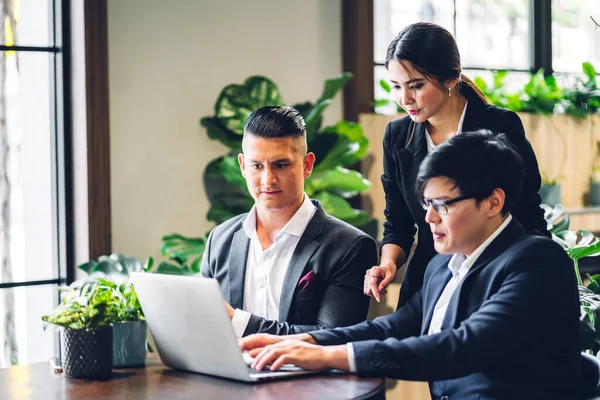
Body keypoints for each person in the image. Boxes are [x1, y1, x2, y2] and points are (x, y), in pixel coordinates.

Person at [239, 131, 581, 400]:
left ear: (494, 201)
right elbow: (396, 325)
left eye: (443, 205)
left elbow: (462, 346)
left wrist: (329, 358)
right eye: (427, 203)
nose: (429, 218)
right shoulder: (442, 264)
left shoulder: (537, 263)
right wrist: (312, 342)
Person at [365, 22, 548, 309]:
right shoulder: (397, 137)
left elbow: (527, 213)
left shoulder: (499, 126)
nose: (404, 99)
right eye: (396, 87)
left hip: (495, 275)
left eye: (416, 86)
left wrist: (537, 281)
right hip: (429, 281)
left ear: (451, 79)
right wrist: (388, 264)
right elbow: (398, 223)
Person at [201, 105, 378, 337]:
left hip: (310, 375)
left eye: (280, 165)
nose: (268, 180)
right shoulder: (220, 239)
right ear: (243, 166)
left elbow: (332, 337)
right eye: (257, 166)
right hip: (227, 373)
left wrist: (238, 321)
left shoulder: (350, 246)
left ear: (307, 165)